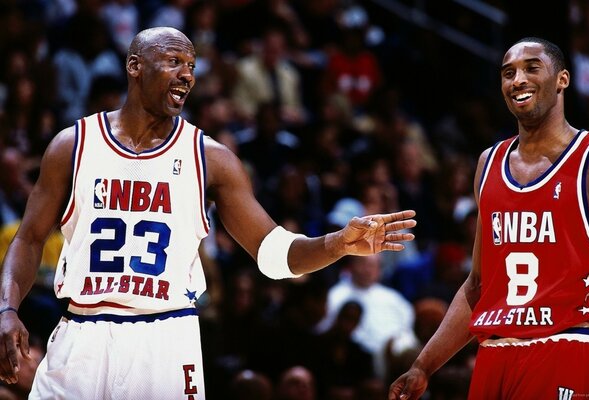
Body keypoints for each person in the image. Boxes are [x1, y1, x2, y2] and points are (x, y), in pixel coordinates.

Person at [0, 27, 417, 399]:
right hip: (82, 331)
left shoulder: (211, 159)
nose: (187, 75)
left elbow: (275, 255)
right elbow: (30, 238)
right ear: (135, 66)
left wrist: (337, 244)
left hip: (165, 336)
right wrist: (7, 309)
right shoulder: (72, 145)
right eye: (173, 62)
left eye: (192, 66)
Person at [389, 37, 589, 400]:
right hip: (494, 352)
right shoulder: (489, 163)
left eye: (532, 68)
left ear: (562, 79)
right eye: (508, 73)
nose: (517, 79)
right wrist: (424, 365)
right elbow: (477, 285)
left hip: (567, 345)